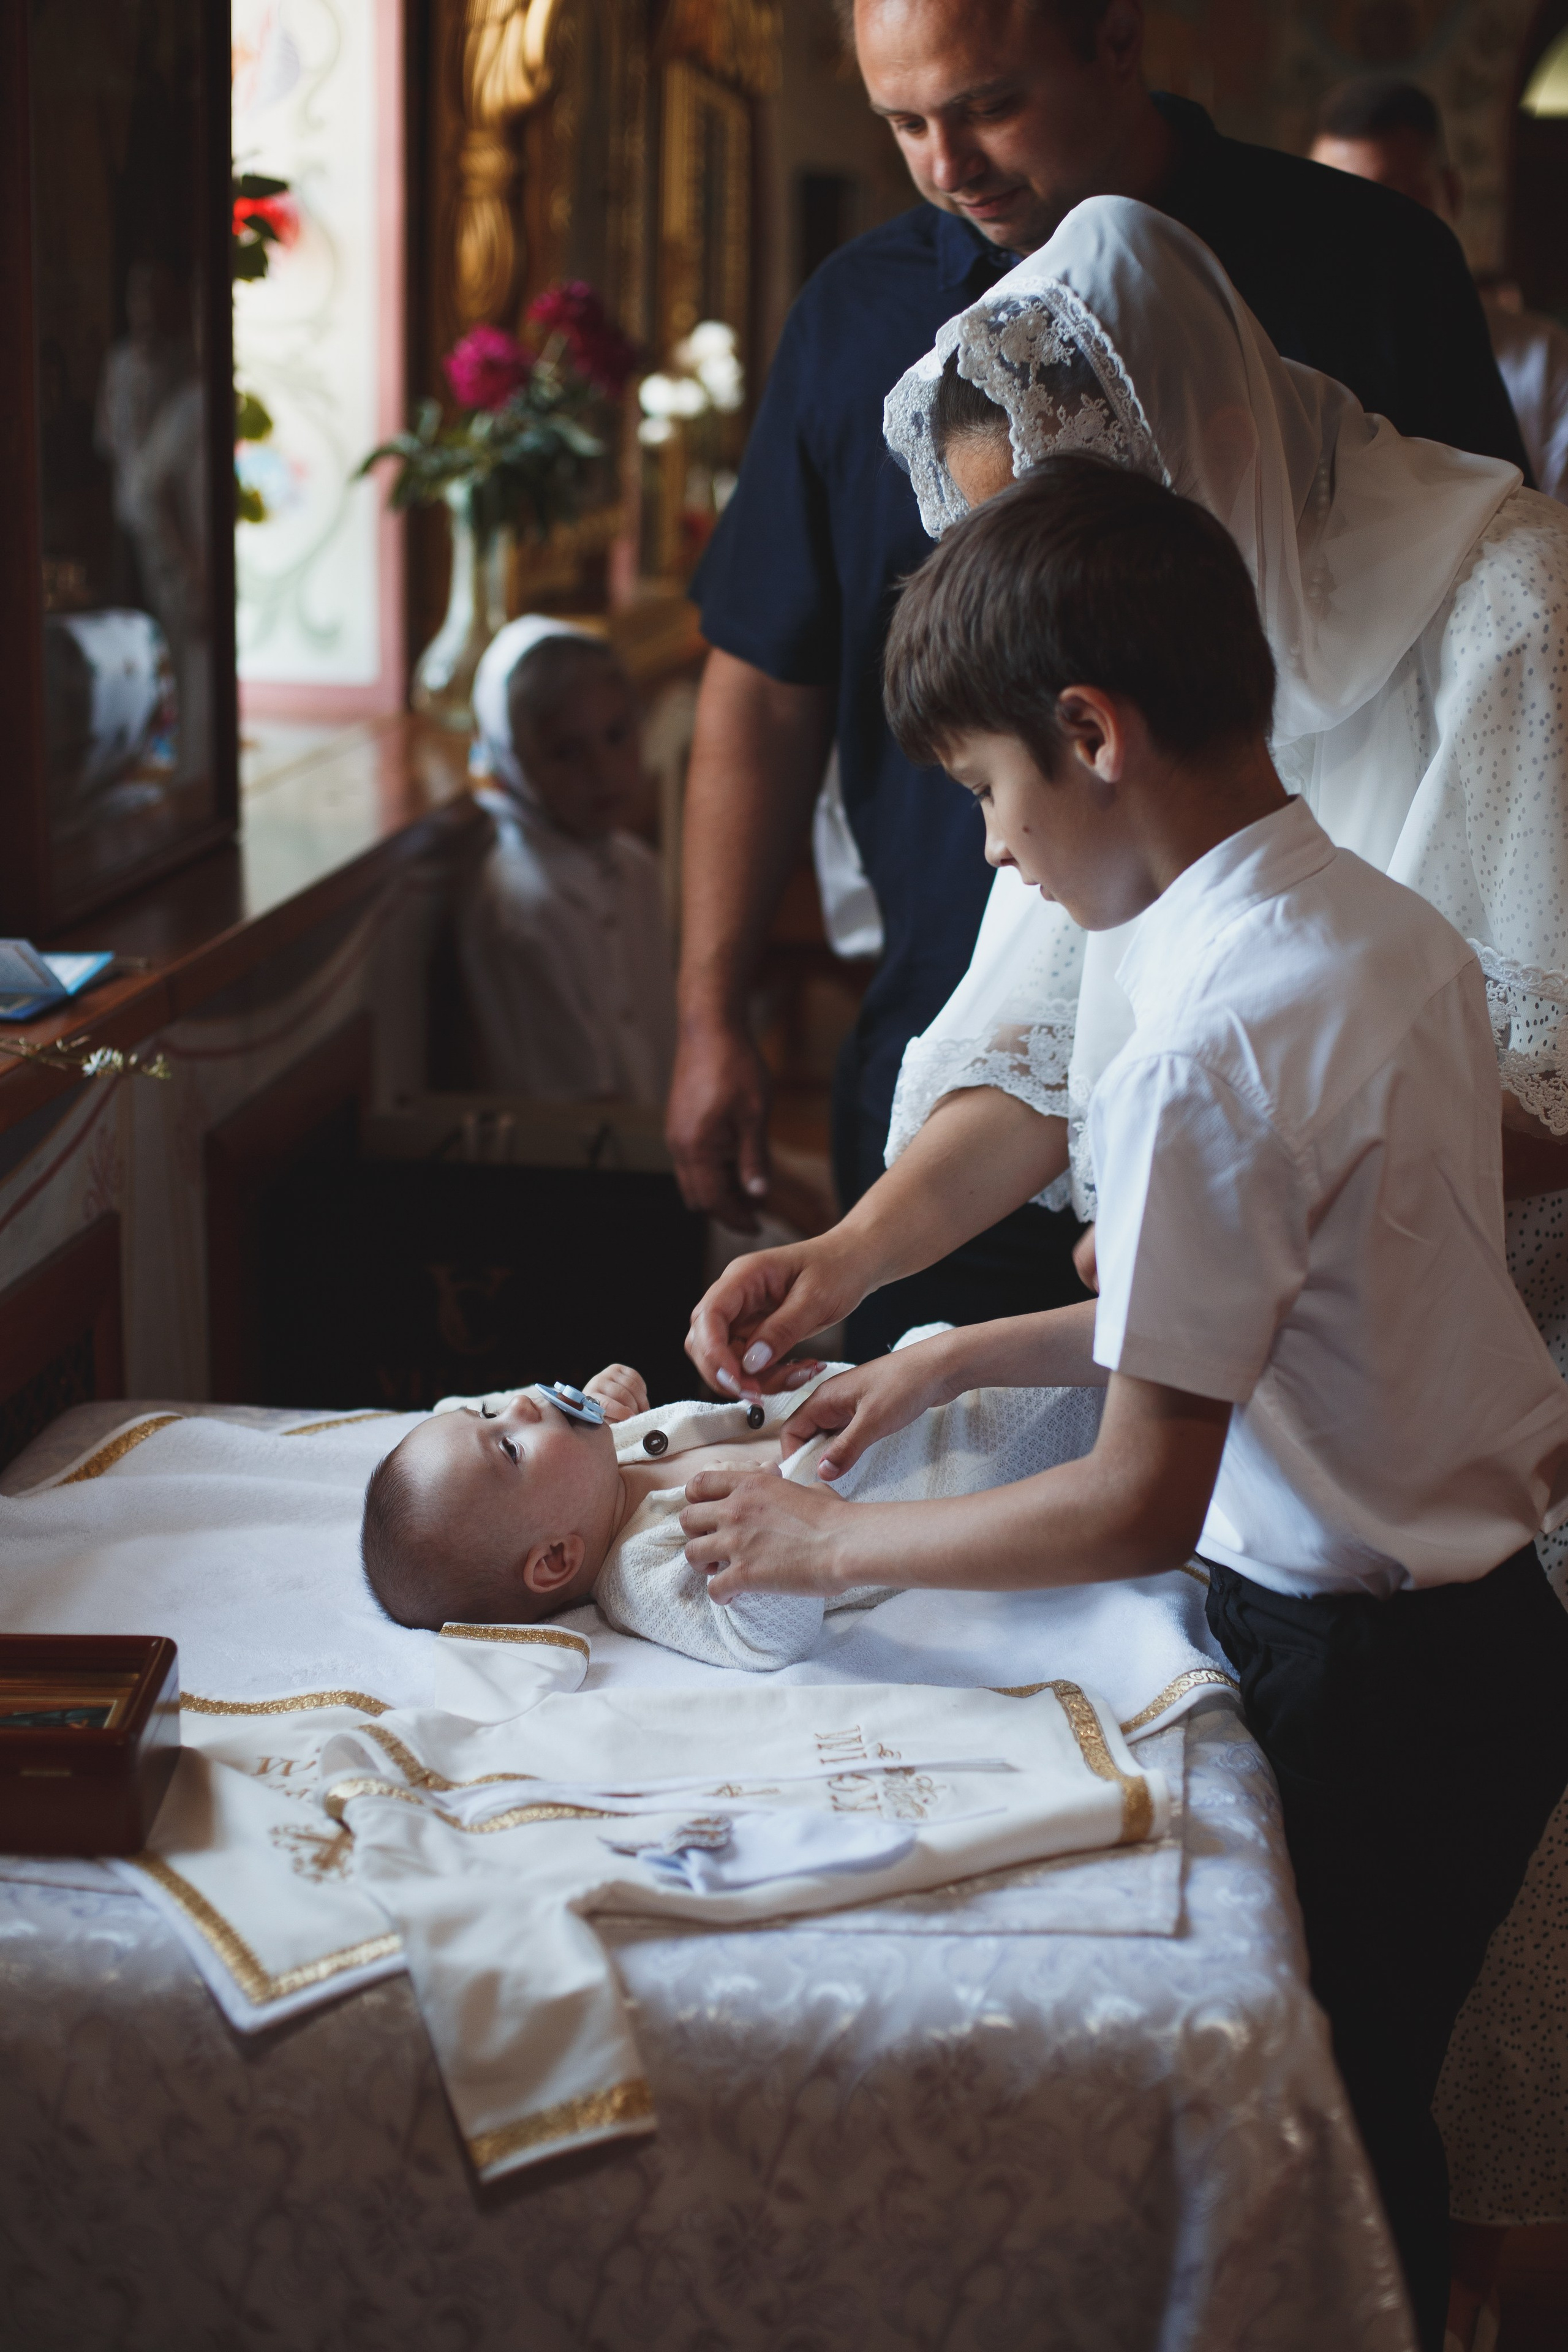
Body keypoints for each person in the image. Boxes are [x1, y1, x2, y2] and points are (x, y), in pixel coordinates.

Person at [677, 457, 1568, 2351]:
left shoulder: (1200, 1033)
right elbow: (1261, 1313)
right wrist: (936, 1353)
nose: (992, 851)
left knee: (1329, 2125)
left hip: (1366, 1675)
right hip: (1485, 1638)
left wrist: (829, 1534)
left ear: (1091, 732)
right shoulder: (1371, 929)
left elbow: (1140, 1500)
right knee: (1363, 2095)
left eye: (989, 794)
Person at [669, 0, 1526, 1359]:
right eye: (902, 123)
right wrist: (846, 1263)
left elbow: (1523, 1084)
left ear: (1204, 446)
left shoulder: (1506, 602)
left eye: (984, 105)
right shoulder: (1127, 673)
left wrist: (1223, 1185)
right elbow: (1041, 1032)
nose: (943, 160)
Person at [360, 1354, 1104, 1671]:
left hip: (928, 1388)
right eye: (509, 1448)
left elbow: (726, 1427)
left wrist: (614, 1412)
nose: (521, 1405)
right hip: (990, 1464)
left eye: (492, 1409)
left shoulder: (613, 1454)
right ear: (556, 1559)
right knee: (1137, 1393)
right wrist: (783, 1540)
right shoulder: (641, 1572)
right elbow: (761, 1639)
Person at [1310, 75, 1568, 503]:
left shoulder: (1544, 363)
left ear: (1449, 192)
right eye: (1336, 207)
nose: (1364, 233)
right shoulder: (1296, 355)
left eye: (1391, 204)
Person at [460, 617, 675, 1106]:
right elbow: (574, 1114)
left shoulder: (634, 866)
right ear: (514, 761)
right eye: (566, 752)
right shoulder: (522, 904)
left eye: (617, 735)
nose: (602, 772)